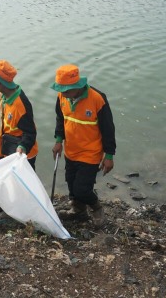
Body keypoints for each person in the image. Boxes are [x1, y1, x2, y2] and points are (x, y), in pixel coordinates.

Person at [50, 64, 116, 228]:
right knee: (71, 183)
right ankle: (78, 210)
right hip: (71, 151)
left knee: (82, 189)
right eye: (61, 90)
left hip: (90, 154)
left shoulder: (97, 99)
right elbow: (60, 119)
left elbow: (108, 129)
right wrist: (59, 140)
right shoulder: (62, 96)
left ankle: (97, 208)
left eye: (66, 90)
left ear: (77, 86)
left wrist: (109, 156)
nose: (63, 94)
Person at [0, 60, 39, 216]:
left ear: (1, 83)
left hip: (21, 150)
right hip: (6, 145)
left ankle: (24, 214)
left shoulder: (20, 104)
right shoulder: (4, 96)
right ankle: (4, 205)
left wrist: (22, 148)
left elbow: (30, 133)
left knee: (21, 183)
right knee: (4, 177)